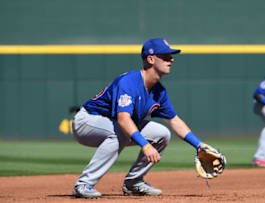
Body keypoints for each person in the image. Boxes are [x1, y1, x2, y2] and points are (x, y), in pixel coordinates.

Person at [71, 38, 208, 198]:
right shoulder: (129, 82)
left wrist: (199, 146)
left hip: (112, 123)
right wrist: (145, 145)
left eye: (170, 56)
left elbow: (174, 121)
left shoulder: (159, 92)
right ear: (150, 59)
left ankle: (133, 183)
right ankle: (83, 184)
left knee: (161, 134)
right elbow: (123, 119)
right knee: (121, 132)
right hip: (88, 121)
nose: (171, 59)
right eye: (165, 56)